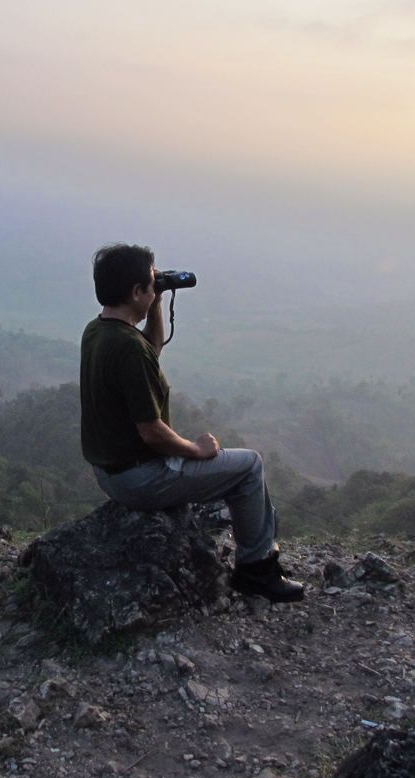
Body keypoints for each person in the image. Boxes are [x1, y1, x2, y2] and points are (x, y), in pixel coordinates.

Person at [79, 243, 304, 602]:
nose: (155, 287)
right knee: (249, 466)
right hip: (138, 479)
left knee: (239, 468)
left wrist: (153, 307)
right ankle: (257, 570)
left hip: (110, 472)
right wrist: (195, 449)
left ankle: (259, 554)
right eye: (151, 284)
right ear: (136, 291)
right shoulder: (127, 349)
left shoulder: (98, 330)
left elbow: (149, 351)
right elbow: (151, 431)